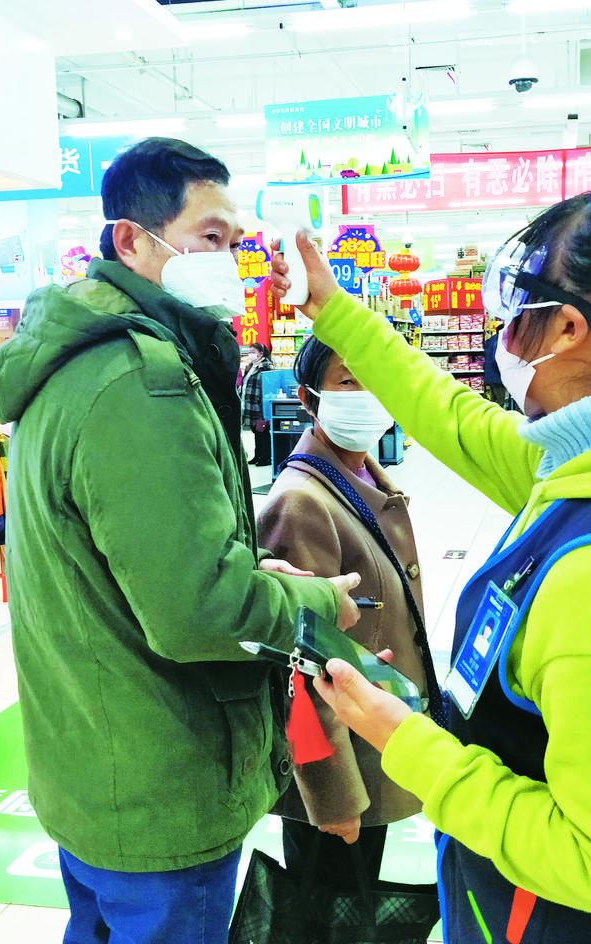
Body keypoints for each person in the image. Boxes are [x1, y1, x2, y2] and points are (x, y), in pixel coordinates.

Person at [269, 186, 591, 943]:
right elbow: (449, 413)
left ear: (570, 328)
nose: (504, 326)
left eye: (519, 300)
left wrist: (409, 743)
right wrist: (332, 309)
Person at [0, 136, 361, 944]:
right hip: (161, 782)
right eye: (210, 237)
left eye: (235, 241)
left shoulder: (70, 362)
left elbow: (125, 563)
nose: (229, 261)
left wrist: (236, 562)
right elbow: (200, 611)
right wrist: (314, 600)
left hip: (94, 762)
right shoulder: (142, 382)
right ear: (131, 240)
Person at [256, 334, 435, 887]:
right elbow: (299, 668)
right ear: (308, 399)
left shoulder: (362, 479)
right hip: (341, 771)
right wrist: (333, 795)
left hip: (373, 739)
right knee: (328, 908)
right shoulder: (302, 502)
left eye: (375, 377)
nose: (367, 393)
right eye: (348, 380)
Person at [240, 341, 274, 466]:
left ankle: (266, 457)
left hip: (260, 405)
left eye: (253, 352)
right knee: (256, 431)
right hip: (250, 404)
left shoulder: (266, 367)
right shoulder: (250, 367)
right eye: (249, 352)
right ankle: (258, 455)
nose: (250, 354)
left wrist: (264, 403)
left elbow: (268, 386)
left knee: (262, 431)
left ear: (260, 354)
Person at [483, 324, 508, 407]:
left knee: (494, 400)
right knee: (500, 401)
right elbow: (496, 359)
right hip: (497, 376)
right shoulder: (499, 342)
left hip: (491, 375)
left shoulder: (491, 340)